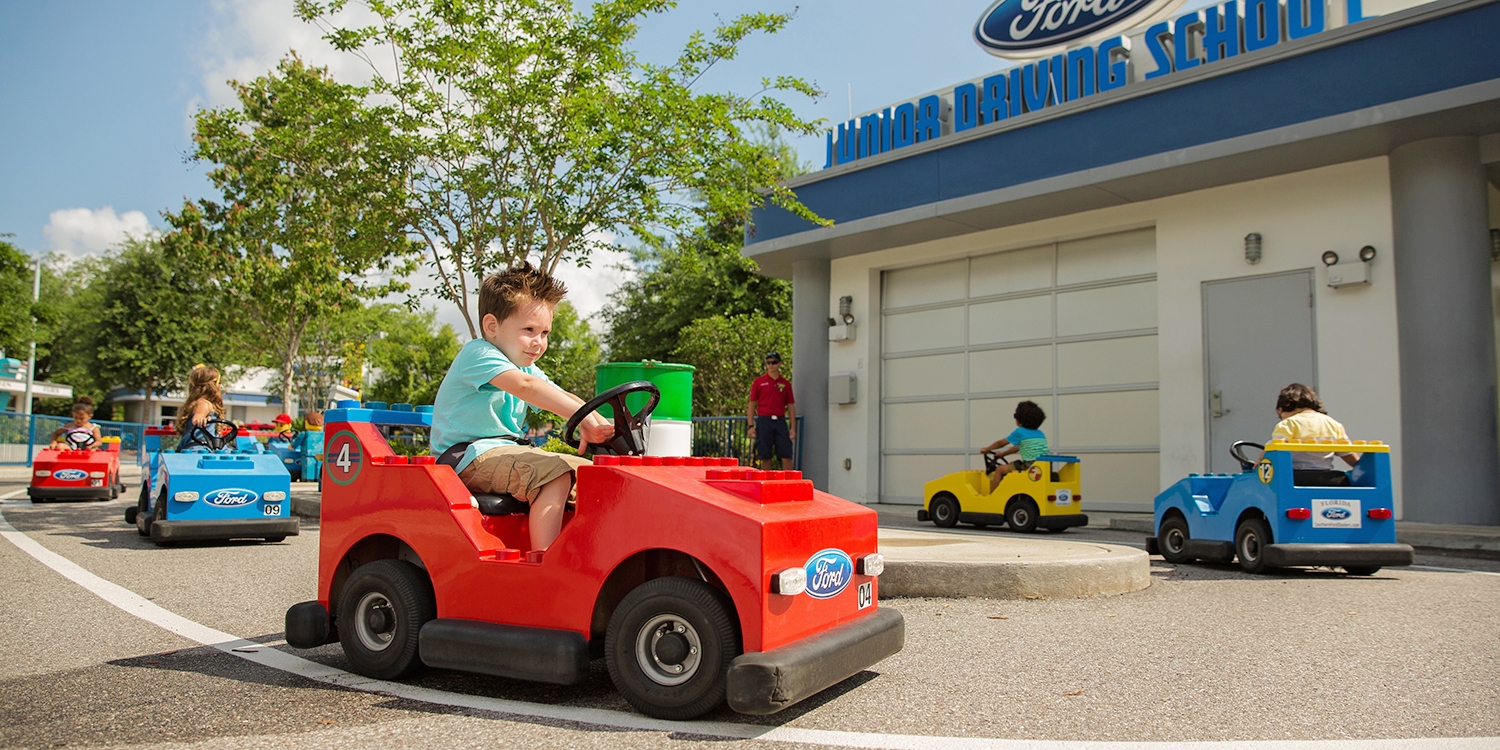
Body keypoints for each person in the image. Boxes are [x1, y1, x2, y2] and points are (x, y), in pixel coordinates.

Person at [430, 263, 614, 552]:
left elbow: (558, 393)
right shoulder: (478, 354)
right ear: (492, 326)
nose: (539, 342)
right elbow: (526, 388)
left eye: (545, 333)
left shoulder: (522, 364)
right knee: (554, 473)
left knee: (594, 474)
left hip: (505, 452)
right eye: (529, 330)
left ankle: (593, 553)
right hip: (467, 456)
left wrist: (599, 423)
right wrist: (585, 421)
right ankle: (545, 563)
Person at [1270, 383, 1360, 472]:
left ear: (1281, 409)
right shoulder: (1333, 423)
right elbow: (1347, 453)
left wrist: (1259, 462)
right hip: (1326, 476)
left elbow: (1274, 450)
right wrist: (1361, 468)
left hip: (1296, 477)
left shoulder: (1288, 423)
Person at [979, 400, 1049, 493]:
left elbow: (1001, 443)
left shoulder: (1020, 431)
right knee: (1012, 464)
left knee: (1000, 469)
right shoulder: (1040, 433)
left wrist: (987, 449)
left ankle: (993, 496)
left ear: (1020, 420)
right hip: (1042, 465)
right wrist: (1002, 454)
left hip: (1029, 465)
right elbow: (1017, 447)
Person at [746, 352, 797, 470]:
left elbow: (790, 406)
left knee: (786, 455)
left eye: (773, 362)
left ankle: (789, 484)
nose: (771, 365)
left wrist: (793, 427)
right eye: (768, 363)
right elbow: (752, 404)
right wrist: (750, 425)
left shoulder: (785, 384)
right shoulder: (759, 382)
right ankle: (767, 483)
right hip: (764, 420)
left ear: (779, 364)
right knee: (765, 456)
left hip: (780, 420)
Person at [175, 365, 227, 447]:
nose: (221, 386)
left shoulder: (196, 403)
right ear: (213, 386)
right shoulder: (204, 404)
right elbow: (198, 415)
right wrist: (201, 419)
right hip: (199, 448)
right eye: (219, 383)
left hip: (196, 446)